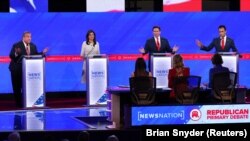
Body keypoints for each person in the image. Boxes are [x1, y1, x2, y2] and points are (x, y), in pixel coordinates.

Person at [9, 31, 48, 108]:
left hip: (28, 71)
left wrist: (42, 53)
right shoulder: (17, 45)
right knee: (17, 88)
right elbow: (11, 56)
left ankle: (28, 103)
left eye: (30, 36)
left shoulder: (33, 46)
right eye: (28, 36)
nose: (29, 38)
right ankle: (18, 105)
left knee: (27, 87)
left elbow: (35, 55)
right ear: (23, 37)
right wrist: (16, 53)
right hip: (17, 70)